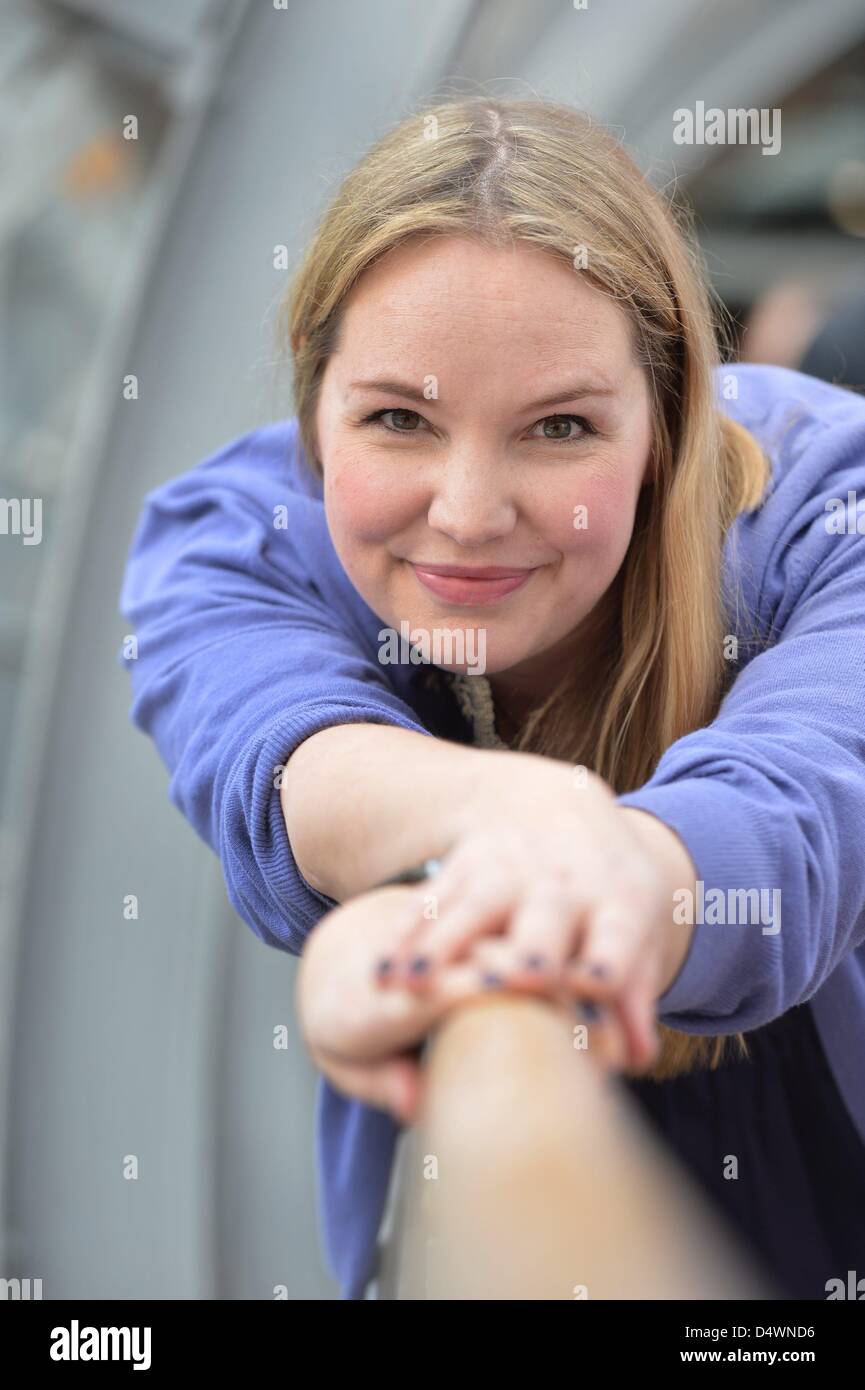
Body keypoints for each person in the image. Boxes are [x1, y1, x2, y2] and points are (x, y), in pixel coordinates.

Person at [119, 95, 865, 1300]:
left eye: (559, 425)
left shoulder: (830, 502)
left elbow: (813, 801)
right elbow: (279, 754)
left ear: (670, 424)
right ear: (312, 415)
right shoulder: (227, 539)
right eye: (398, 419)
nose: (468, 512)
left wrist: (615, 873)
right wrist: (525, 828)